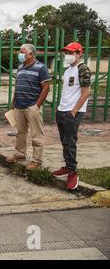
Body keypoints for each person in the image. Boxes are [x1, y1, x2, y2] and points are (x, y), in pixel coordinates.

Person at [53, 42, 91, 190]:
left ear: (79, 54)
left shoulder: (83, 69)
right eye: (66, 53)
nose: (67, 55)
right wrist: (61, 108)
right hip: (62, 109)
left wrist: (74, 111)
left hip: (73, 111)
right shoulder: (68, 69)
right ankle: (67, 166)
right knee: (64, 141)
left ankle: (73, 172)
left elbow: (86, 92)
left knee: (70, 141)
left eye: (71, 53)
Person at [7, 44, 51, 170]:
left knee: (36, 134)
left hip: (32, 106)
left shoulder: (41, 67)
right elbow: (18, 86)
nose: (20, 54)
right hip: (19, 105)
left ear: (31, 54)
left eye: (22, 52)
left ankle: (37, 160)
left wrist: (37, 105)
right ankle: (20, 154)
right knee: (20, 132)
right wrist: (13, 102)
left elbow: (46, 87)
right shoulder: (21, 67)